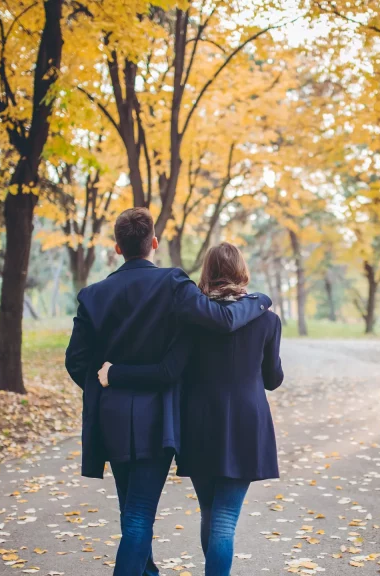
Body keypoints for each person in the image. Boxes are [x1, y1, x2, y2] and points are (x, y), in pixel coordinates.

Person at [65, 209, 272, 576]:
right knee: (138, 515)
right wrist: (258, 301)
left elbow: (75, 361)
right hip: (155, 415)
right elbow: (221, 320)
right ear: (154, 243)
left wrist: (106, 385)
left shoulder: (92, 295)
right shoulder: (173, 284)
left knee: (130, 510)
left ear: (117, 247)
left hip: (111, 415)